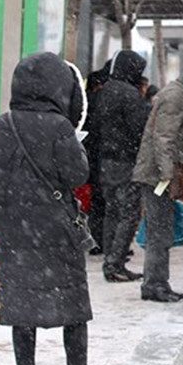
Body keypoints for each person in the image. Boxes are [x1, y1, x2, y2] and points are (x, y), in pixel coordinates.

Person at [0, 52, 105, 365]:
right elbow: (77, 175)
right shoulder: (59, 127)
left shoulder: (2, 125)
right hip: (57, 232)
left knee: (22, 313)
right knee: (74, 312)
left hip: (16, 234)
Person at [132, 64, 183, 302]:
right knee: (158, 232)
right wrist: (168, 176)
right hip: (157, 176)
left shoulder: (182, 97)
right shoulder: (175, 98)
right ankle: (154, 285)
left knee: (162, 229)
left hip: (161, 173)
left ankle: (159, 282)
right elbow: (164, 138)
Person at [95, 50, 150, 282]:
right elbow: (140, 129)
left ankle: (110, 258)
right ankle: (115, 263)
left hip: (106, 160)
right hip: (126, 161)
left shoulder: (105, 90)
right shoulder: (130, 94)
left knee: (112, 211)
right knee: (128, 213)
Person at [82, 63, 111, 255]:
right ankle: (103, 241)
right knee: (104, 203)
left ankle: (95, 240)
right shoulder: (102, 101)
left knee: (95, 203)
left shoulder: (86, 102)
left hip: (90, 157)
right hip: (102, 157)